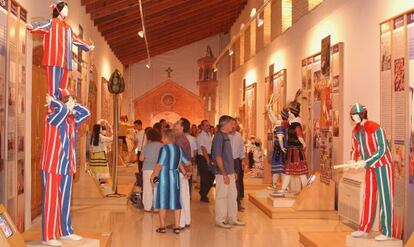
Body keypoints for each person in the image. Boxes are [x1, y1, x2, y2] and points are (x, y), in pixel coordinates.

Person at [349, 103, 394, 241]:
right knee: (368, 196)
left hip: (383, 165)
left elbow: (382, 149)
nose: (353, 118)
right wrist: (353, 161)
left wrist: (366, 161)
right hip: (370, 167)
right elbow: (355, 149)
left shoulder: (376, 128)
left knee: (386, 197)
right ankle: (364, 228)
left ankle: (386, 231)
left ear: (362, 115)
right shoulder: (355, 131)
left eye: (355, 115)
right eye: (352, 116)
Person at [151, 129, 191, 234]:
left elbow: (159, 164)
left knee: (162, 201)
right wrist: (185, 172)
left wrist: (153, 175)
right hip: (175, 176)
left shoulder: (164, 148)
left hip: (164, 176)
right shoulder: (179, 149)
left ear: (165, 138)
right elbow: (187, 162)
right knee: (176, 201)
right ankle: (177, 227)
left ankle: (162, 227)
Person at [212, 115, 245, 228]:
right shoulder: (219, 137)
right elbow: (218, 156)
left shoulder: (226, 136)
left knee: (232, 195)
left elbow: (228, 156)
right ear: (225, 124)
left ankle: (232, 218)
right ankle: (220, 220)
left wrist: (233, 171)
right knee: (222, 196)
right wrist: (225, 173)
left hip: (229, 172)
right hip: (222, 174)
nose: (234, 125)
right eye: (232, 123)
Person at [172, 118, 192, 230]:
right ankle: (185, 220)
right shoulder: (181, 138)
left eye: (177, 123)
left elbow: (179, 158)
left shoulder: (179, 139)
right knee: (184, 196)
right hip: (183, 172)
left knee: (180, 197)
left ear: (182, 127)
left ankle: (180, 222)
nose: (175, 124)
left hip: (180, 172)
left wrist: (186, 171)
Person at [139, 128, 163, 212]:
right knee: (156, 187)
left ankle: (147, 207)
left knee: (147, 187)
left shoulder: (147, 146)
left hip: (147, 170)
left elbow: (141, 159)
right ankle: (157, 207)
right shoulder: (162, 146)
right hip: (158, 170)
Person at [228, 119, 245, 211]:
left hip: (236, 161)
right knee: (227, 183)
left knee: (237, 182)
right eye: (232, 124)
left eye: (235, 124)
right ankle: (228, 205)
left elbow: (241, 148)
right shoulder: (225, 135)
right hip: (227, 161)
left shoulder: (238, 135)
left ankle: (237, 204)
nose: (234, 126)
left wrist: (242, 160)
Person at [196, 120, 214, 202]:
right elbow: (203, 149)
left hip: (209, 156)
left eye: (209, 125)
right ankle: (203, 196)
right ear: (202, 127)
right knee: (205, 177)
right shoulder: (200, 136)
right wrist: (207, 160)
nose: (208, 127)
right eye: (206, 126)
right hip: (202, 157)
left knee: (212, 175)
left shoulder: (209, 134)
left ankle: (203, 192)